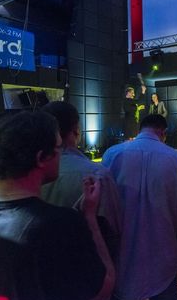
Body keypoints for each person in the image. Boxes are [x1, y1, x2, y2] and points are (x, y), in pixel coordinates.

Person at [0, 111, 115, 300]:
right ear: (41, 157)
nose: (61, 154)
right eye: (58, 148)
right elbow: (101, 295)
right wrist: (90, 218)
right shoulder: (61, 225)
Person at [102, 114, 177, 300]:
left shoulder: (112, 155)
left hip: (123, 257)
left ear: (140, 129)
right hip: (164, 257)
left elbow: (102, 209)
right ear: (163, 133)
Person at [40, 101, 122, 255]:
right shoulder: (97, 175)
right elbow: (113, 231)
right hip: (87, 262)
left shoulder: (27, 174)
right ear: (76, 130)